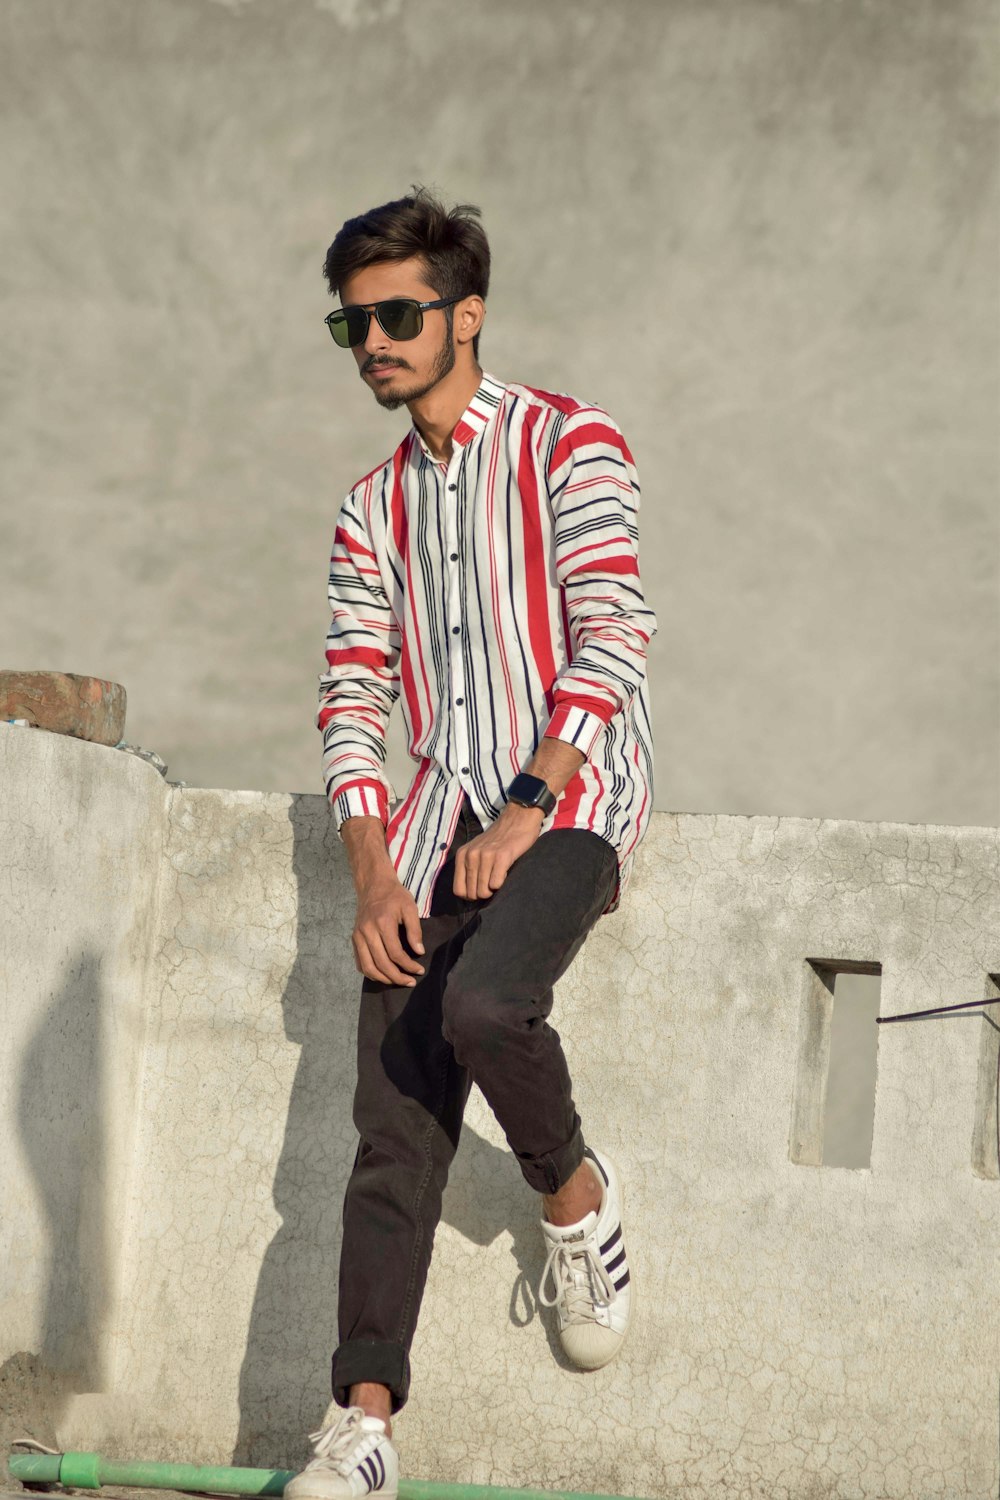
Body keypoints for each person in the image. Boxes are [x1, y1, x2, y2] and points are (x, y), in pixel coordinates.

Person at [285, 187, 657, 1500]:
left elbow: (613, 634)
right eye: (354, 324)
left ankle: (574, 1198)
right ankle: (363, 1425)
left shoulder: (569, 442)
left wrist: (527, 802)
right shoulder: (365, 509)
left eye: (398, 314)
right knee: (391, 1126)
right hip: (433, 828)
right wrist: (375, 872)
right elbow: (351, 698)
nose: (375, 341)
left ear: (467, 314)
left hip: (574, 800)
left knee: (492, 1004)